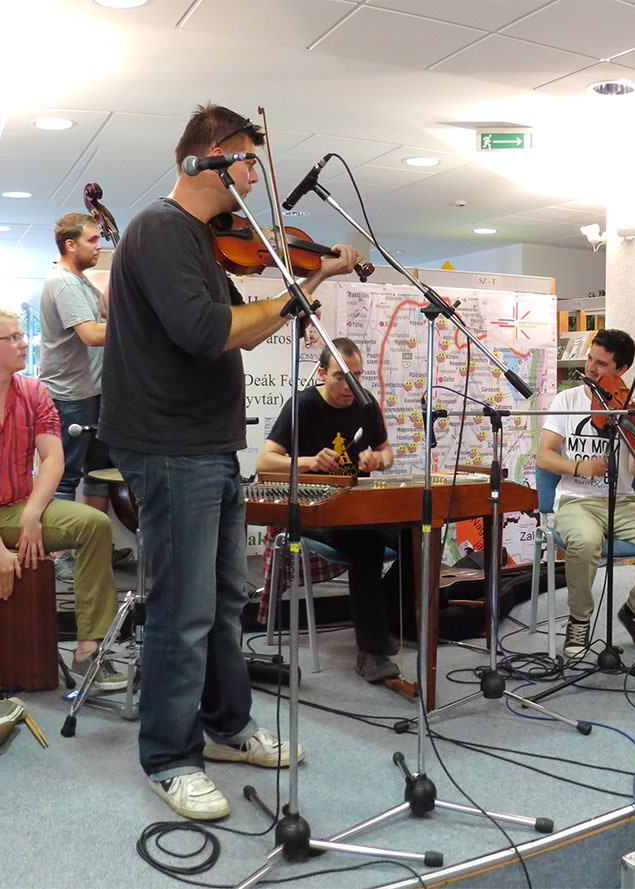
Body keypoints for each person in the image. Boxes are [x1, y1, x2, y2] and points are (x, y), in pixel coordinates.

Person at [104, 105, 354, 820]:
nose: (253, 177)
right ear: (212, 157)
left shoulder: (199, 240)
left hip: (207, 444)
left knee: (221, 601)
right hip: (170, 444)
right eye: (247, 161)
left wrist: (310, 282)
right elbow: (208, 330)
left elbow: (242, 331)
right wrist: (299, 289)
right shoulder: (159, 229)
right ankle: (168, 757)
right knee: (182, 609)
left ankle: (226, 727)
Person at [0, 308, 120, 706]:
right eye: (12, 337)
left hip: (16, 507)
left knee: (94, 525)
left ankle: (88, 650)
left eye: (21, 335)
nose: (23, 343)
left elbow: (53, 459)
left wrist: (32, 514)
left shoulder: (34, 392)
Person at [254, 338, 406, 683]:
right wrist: (309, 461)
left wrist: (378, 459)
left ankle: (394, 622)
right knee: (366, 546)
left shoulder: (366, 404)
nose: (351, 385)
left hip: (358, 510)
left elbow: (387, 453)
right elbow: (265, 462)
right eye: (341, 376)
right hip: (315, 511)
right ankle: (371, 652)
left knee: (415, 536)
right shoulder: (302, 405)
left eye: (357, 376)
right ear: (322, 374)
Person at [537, 329, 635, 658]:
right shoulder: (567, 401)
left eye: (601, 364)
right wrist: (580, 467)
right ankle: (579, 620)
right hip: (576, 501)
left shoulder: (634, 410)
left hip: (622, 503)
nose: (590, 368)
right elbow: (543, 457)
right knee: (585, 541)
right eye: (590, 358)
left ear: (622, 370)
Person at [38, 212, 110, 500]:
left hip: (90, 392)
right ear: (70, 245)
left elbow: (105, 309)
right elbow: (91, 334)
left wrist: (123, 272)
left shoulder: (80, 281)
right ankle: (61, 532)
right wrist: (134, 326)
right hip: (71, 398)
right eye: (92, 240)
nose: (99, 246)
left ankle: (95, 531)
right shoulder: (64, 283)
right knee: (65, 477)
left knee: (98, 473)